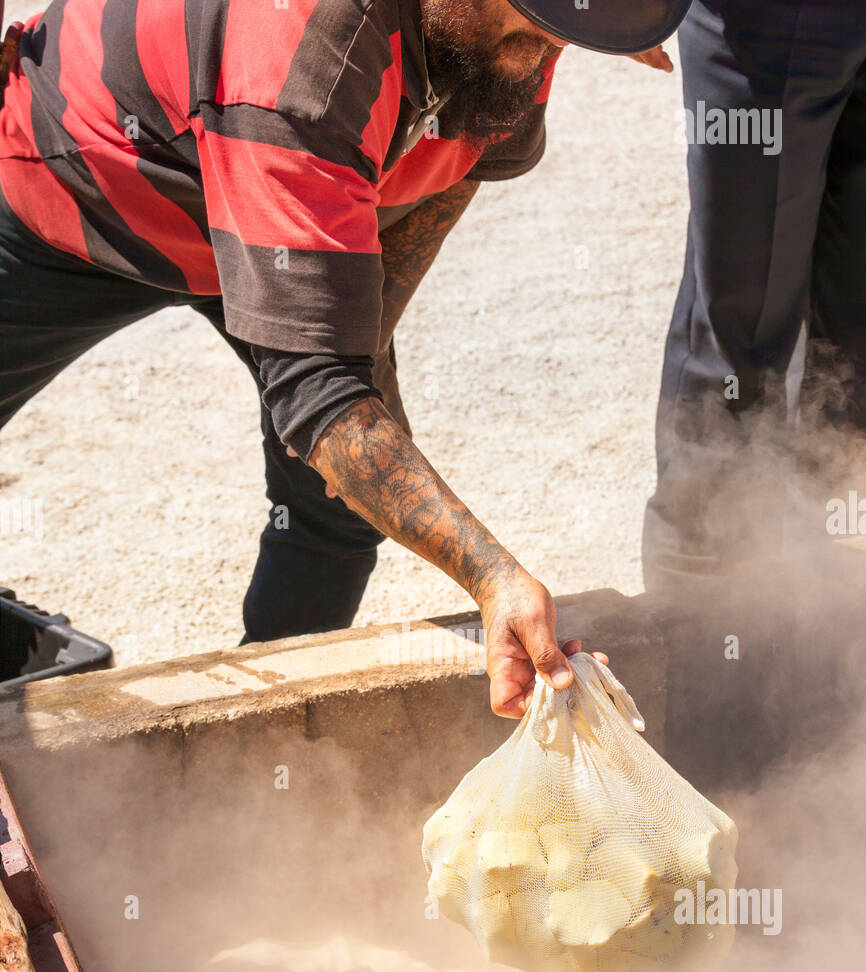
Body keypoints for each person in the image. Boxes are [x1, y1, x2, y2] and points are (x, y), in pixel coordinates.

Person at [0, 0, 688, 715]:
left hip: (290, 206)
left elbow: (456, 166)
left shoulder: (521, 28)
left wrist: (357, 358)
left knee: (340, 497)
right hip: (86, 192)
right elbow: (319, 388)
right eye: (527, 19)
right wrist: (492, 578)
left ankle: (259, 729)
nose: (545, 46)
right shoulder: (303, 51)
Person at [645, 0, 866, 590]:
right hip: (765, 20)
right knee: (740, 324)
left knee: (856, 334)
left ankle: (832, 604)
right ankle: (708, 606)